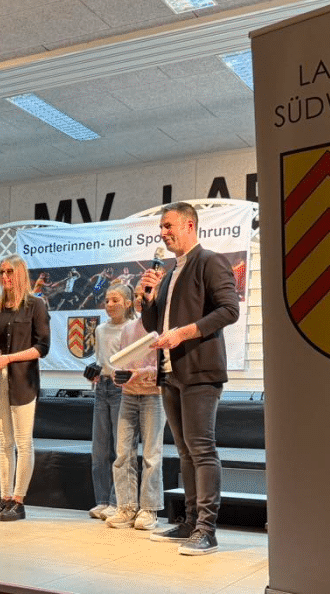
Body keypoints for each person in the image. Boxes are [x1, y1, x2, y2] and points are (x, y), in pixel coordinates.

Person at [137, 203, 239, 555]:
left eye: (168, 226)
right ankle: (190, 521)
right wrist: (147, 298)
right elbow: (153, 325)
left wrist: (183, 333)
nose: (162, 233)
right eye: (160, 228)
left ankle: (207, 529)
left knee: (202, 449)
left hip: (200, 370)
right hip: (171, 373)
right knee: (183, 451)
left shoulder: (209, 261)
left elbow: (229, 310)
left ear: (189, 224)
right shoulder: (169, 272)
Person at [0, 255, 50, 523]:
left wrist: (9, 359)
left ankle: (19, 500)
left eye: (9, 272)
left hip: (23, 381)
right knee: (3, 442)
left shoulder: (35, 305)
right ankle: (4, 496)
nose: (5, 277)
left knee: (23, 442)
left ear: (21, 274)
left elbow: (42, 348)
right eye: (1, 272)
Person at [105, 290, 165, 532]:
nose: (141, 299)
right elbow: (121, 363)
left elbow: (164, 363)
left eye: (146, 295)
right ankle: (126, 506)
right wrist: (119, 376)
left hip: (154, 395)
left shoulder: (162, 327)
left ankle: (149, 509)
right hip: (128, 395)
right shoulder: (128, 329)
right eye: (138, 295)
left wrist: (144, 373)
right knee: (123, 454)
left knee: (151, 454)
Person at [88, 283, 133, 520]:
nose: (109, 305)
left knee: (121, 448)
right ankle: (102, 500)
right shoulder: (101, 330)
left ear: (128, 303)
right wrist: (94, 370)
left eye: (115, 300)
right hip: (102, 387)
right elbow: (100, 359)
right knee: (99, 448)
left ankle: (118, 501)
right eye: (106, 300)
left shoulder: (132, 328)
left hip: (121, 389)